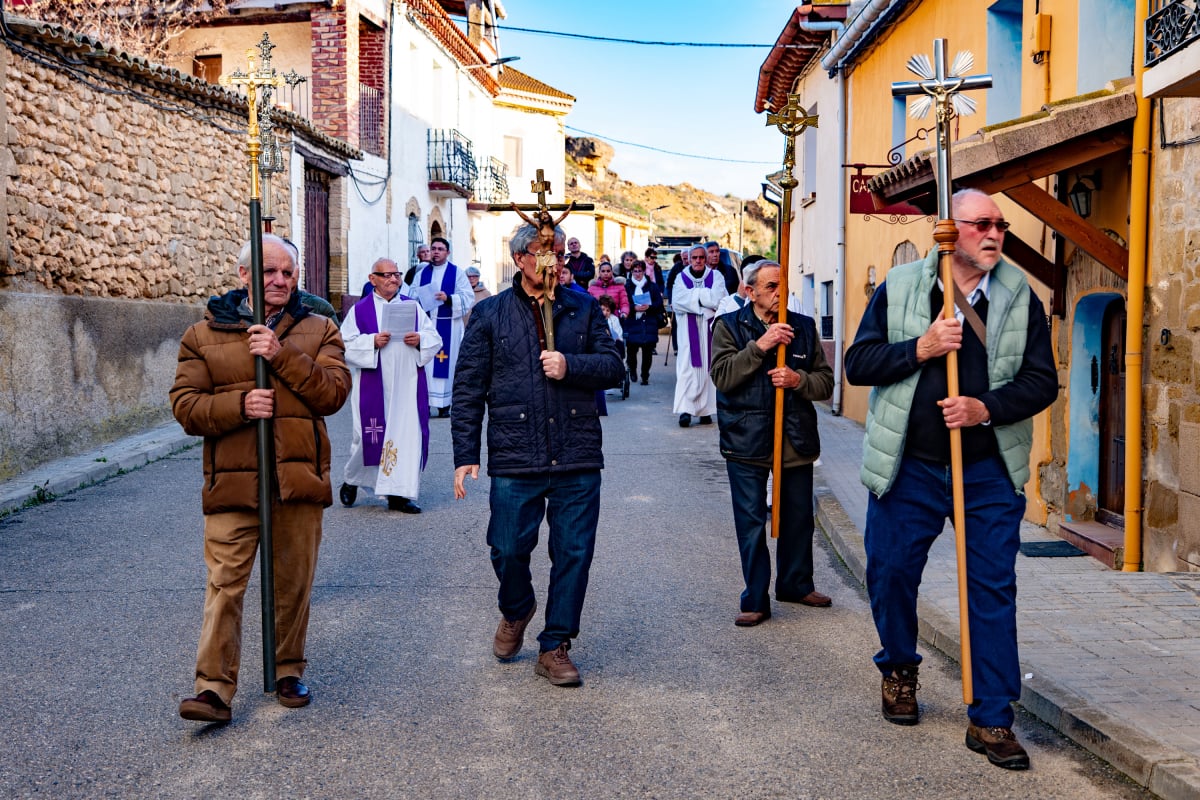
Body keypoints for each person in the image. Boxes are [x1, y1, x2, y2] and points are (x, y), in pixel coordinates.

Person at [844, 189, 1057, 770]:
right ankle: (899, 669)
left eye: (1000, 225)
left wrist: (984, 409)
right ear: (949, 231)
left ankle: (991, 719)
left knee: (990, 588)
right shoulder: (902, 286)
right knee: (889, 576)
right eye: (980, 224)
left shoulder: (1020, 297)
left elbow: (1043, 382)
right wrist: (921, 347)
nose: (993, 235)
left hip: (987, 470)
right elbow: (857, 365)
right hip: (907, 464)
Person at [171, 234, 351, 723]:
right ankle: (212, 688)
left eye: (287, 273)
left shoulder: (319, 328)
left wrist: (279, 355)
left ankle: (287, 668)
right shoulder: (202, 335)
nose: (279, 281)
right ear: (244, 276)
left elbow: (333, 394)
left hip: (297, 481)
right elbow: (185, 407)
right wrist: (240, 405)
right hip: (233, 483)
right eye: (268, 271)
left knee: (293, 584)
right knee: (225, 583)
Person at [452, 222, 624, 687]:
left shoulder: (584, 309)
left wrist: (572, 366)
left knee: (573, 552)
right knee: (507, 548)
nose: (554, 263)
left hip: (577, 453)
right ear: (521, 259)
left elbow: (613, 367)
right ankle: (517, 608)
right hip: (516, 453)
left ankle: (555, 644)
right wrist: (465, 454)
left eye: (559, 256)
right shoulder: (489, 314)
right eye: (542, 253)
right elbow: (467, 389)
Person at [710, 261, 834, 628]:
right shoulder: (729, 327)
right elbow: (723, 377)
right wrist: (761, 346)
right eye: (770, 287)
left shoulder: (805, 328)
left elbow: (825, 384)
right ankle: (755, 598)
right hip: (745, 439)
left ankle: (795, 584)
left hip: (794, 436)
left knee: (798, 518)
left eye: (783, 286)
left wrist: (798, 380)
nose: (779, 293)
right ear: (750, 292)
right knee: (750, 523)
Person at [339, 258, 442, 514]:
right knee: (367, 439)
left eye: (396, 274)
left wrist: (420, 339)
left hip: (406, 384)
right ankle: (353, 479)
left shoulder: (413, 307)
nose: (393, 279)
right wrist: (371, 341)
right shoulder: (359, 311)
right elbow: (344, 344)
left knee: (405, 438)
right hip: (374, 385)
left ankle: (399, 495)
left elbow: (434, 338)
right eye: (386, 275)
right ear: (372, 279)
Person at [402, 236, 474, 417]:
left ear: (447, 252)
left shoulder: (457, 273)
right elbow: (411, 295)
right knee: (426, 363)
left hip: (448, 323)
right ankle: (425, 402)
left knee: (448, 365)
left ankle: (445, 405)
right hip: (427, 325)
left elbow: (468, 297)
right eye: (433, 248)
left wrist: (448, 298)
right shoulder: (421, 273)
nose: (435, 252)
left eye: (440, 249)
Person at [673, 245, 727, 427]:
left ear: (705, 259)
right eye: (694, 257)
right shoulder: (681, 278)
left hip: (709, 329)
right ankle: (686, 411)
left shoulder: (716, 276)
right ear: (688, 259)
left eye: (701, 258)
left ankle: (706, 411)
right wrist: (704, 302)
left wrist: (694, 298)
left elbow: (719, 299)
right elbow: (678, 302)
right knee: (686, 370)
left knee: (709, 370)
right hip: (687, 333)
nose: (697, 261)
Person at [622, 259, 664, 385]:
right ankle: (633, 370)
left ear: (644, 271)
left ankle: (645, 375)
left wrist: (649, 306)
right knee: (631, 351)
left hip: (648, 321)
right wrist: (633, 308)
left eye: (640, 271)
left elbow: (659, 302)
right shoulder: (627, 286)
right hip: (633, 322)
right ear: (631, 272)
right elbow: (624, 302)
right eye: (635, 271)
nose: (637, 274)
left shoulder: (652, 286)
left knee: (647, 352)